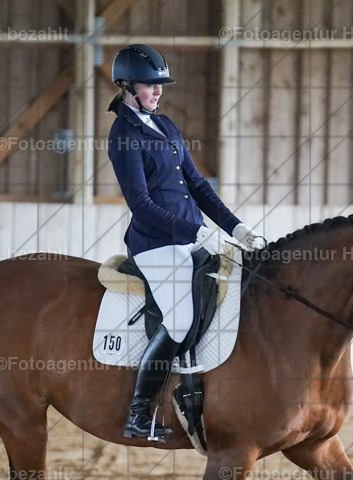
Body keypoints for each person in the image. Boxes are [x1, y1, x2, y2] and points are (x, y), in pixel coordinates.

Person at [107, 44, 264, 441]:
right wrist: (195, 232)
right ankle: (139, 414)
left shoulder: (168, 126)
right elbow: (141, 206)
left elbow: (198, 185)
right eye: (150, 85)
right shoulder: (124, 134)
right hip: (156, 245)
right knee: (180, 318)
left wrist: (235, 227)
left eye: (161, 85)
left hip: (195, 237)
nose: (158, 92)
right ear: (127, 86)